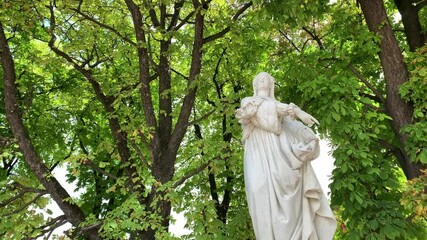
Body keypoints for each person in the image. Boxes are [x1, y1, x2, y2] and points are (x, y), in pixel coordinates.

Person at [235, 72, 336, 240]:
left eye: (266, 77)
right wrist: (297, 110)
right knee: (257, 189)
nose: (262, 79)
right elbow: (260, 113)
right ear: (254, 84)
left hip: (281, 157)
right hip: (257, 154)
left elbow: (294, 126)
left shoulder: (279, 110)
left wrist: (310, 137)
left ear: (271, 83)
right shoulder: (248, 103)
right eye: (259, 78)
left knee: (289, 200)